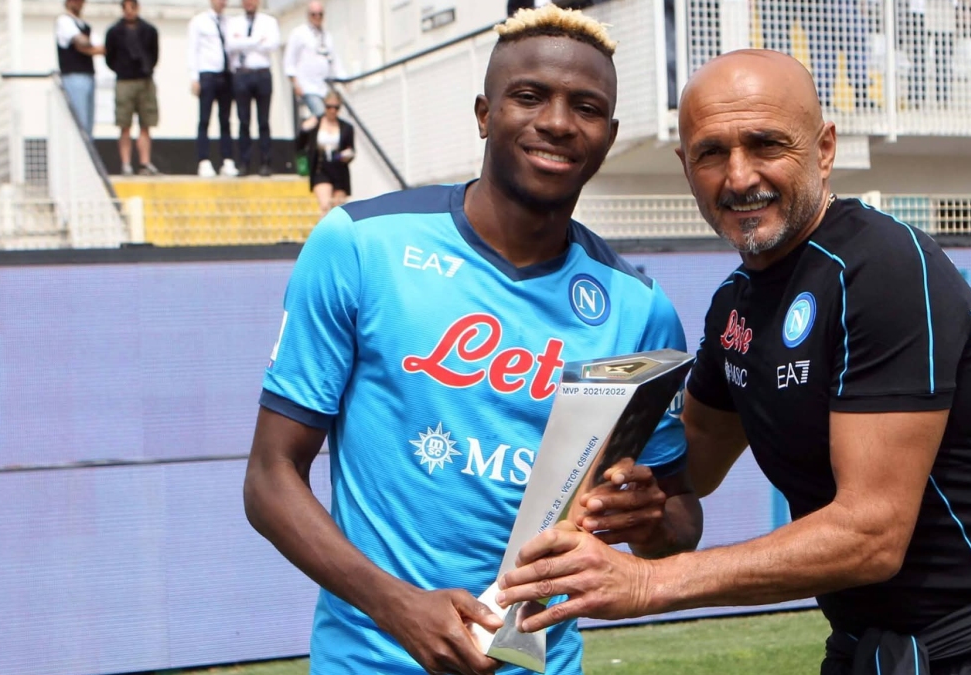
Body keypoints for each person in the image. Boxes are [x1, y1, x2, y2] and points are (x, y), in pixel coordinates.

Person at [495, 50, 971, 675]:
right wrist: (626, 498)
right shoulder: (735, 305)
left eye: (765, 144)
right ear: (686, 166)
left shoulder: (883, 266)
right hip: (869, 644)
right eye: (711, 153)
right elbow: (688, 467)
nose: (739, 177)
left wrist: (649, 583)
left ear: (823, 149)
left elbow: (871, 535)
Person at [243, 6, 703, 675]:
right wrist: (397, 607)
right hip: (369, 660)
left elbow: (679, 522)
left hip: (540, 661)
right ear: (485, 114)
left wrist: (649, 519)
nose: (557, 122)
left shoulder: (639, 308)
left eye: (586, 107)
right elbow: (270, 478)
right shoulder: (362, 244)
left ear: (607, 136)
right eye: (529, 96)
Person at [105, 0, 159, 176]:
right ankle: (126, 164)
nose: (129, 12)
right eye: (126, 8)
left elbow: (154, 55)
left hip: (145, 80)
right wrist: (123, 69)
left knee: (146, 124)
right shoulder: (114, 32)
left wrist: (146, 68)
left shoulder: (149, 31)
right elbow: (110, 58)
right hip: (124, 81)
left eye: (132, 8)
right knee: (124, 125)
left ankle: (145, 163)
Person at [227, 0, 280, 177]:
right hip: (242, 74)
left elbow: (272, 44)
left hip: (262, 74)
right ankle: (244, 163)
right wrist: (257, 40)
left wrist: (243, 42)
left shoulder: (269, 21)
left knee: (263, 121)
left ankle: (266, 162)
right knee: (243, 121)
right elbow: (231, 45)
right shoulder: (234, 22)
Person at [187, 0, 238, 178]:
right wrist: (194, 77)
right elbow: (192, 49)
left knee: (225, 119)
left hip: (226, 74)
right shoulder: (199, 21)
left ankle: (227, 159)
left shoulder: (230, 22)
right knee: (204, 119)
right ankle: (204, 160)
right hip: (207, 74)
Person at [296, 92, 354, 216]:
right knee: (325, 205)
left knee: (339, 210)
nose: (332, 111)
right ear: (324, 106)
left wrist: (347, 155)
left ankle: (336, 229)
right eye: (329, 107)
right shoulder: (315, 124)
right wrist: (304, 130)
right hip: (321, 167)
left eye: (336, 108)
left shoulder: (346, 127)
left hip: (339, 168)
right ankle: (324, 229)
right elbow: (299, 146)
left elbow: (351, 149)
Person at [284, 1, 343, 119]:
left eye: (320, 14)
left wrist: (343, 79)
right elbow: (289, 61)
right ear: (308, 15)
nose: (317, 17)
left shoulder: (327, 36)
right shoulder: (299, 33)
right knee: (321, 115)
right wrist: (296, 84)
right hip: (308, 87)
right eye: (314, 14)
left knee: (329, 117)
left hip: (324, 87)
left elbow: (335, 60)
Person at [56, 0, 105, 139]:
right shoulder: (64, 21)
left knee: (88, 124)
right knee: (79, 121)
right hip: (73, 76)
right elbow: (81, 42)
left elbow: (100, 47)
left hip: (88, 76)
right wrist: (88, 47)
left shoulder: (84, 25)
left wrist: (88, 48)